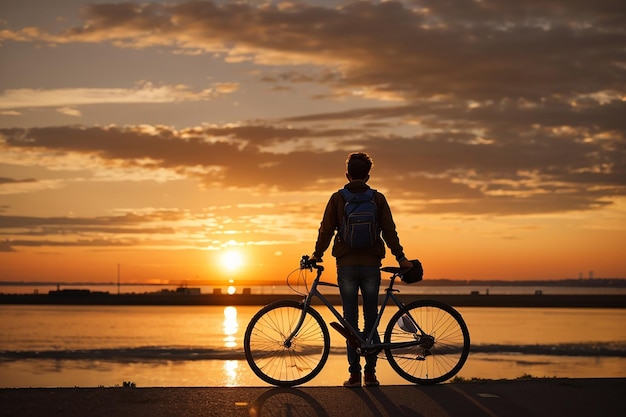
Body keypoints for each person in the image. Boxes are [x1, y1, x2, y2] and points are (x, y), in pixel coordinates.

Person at [309, 152, 413, 388]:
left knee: (350, 321)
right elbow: (389, 232)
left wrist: (317, 254)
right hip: (371, 266)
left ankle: (354, 375)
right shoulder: (377, 199)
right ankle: (371, 374)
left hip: (345, 265)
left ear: (347, 174)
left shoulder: (337, 198)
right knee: (371, 318)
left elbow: (326, 230)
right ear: (367, 175)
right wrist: (401, 257)